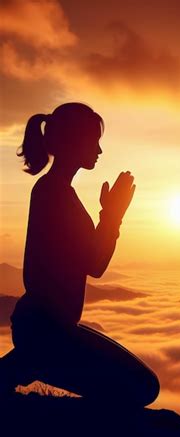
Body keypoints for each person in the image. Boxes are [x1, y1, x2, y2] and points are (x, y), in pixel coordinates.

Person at [0, 103, 159, 407]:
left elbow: (90, 262)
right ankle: (26, 365)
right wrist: (112, 217)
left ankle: (21, 365)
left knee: (144, 384)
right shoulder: (54, 194)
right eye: (93, 140)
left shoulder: (57, 191)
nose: (99, 150)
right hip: (47, 332)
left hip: (51, 328)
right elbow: (95, 265)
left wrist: (111, 216)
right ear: (73, 141)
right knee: (142, 387)